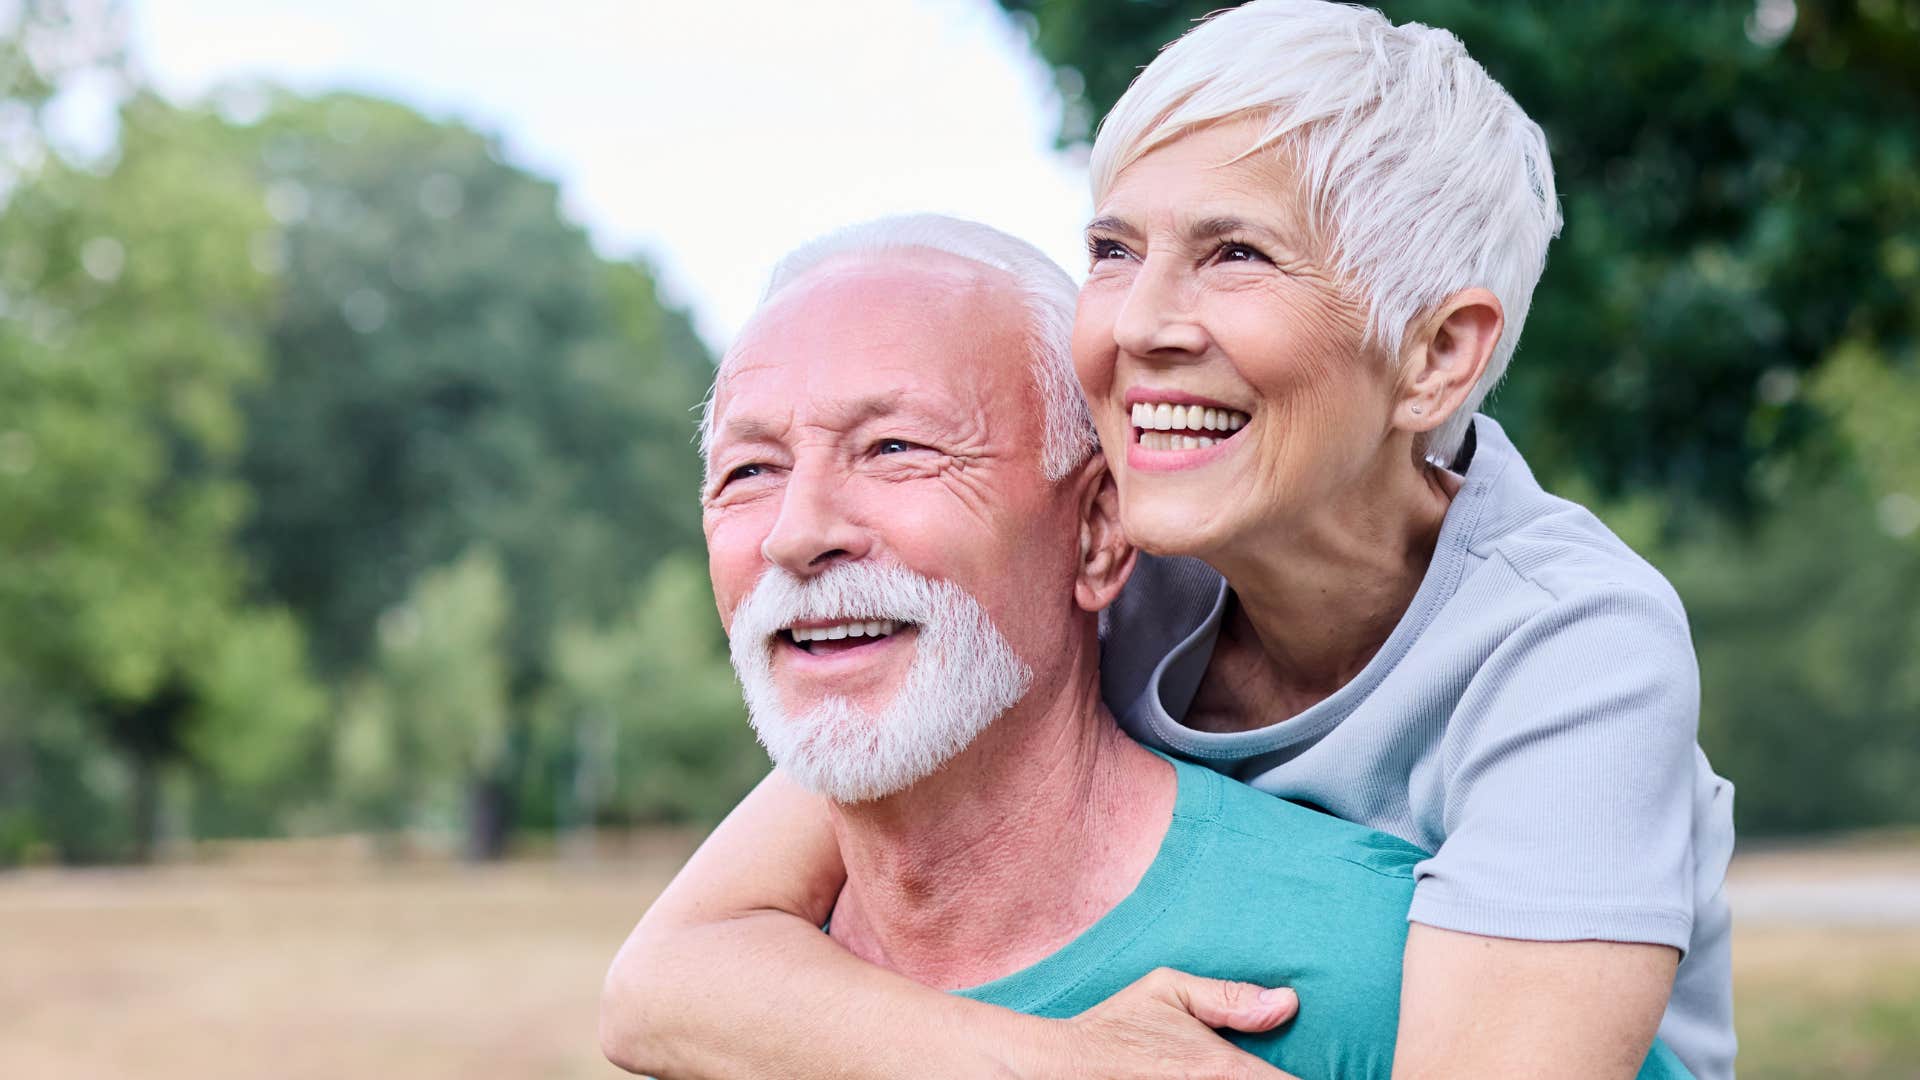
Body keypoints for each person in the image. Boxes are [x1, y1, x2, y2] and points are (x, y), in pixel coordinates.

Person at [602, 3, 1736, 1078]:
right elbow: (667, 979)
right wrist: (1060, 1063)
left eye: (1235, 253)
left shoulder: (1572, 650)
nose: (1141, 323)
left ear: (1437, 354)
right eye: (1113, 249)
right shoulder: (1131, 547)